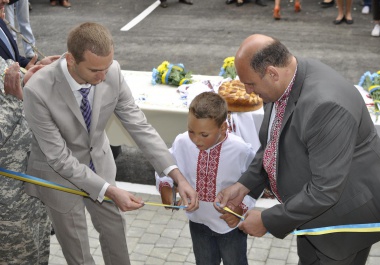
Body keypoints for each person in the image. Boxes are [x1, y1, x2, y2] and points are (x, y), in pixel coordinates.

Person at [22, 22, 198, 265]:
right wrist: (109, 191)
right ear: (71, 60)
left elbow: (139, 126)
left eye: (107, 67)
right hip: (59, 177)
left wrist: (176, 175)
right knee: (79, 252)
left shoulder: (111, 71)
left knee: (116, 237)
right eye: (95, 70)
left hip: (101, 167)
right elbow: (59, 158)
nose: (103, 77)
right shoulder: (37, 90)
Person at [214, 34, 380, 264]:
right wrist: (245, 185)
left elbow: (325, 190)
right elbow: (273, 144)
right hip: (310, 214)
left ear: (272, 72)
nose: (249, 92)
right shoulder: (284, 80)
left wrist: (267, 221)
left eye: (250, 84)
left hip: (341, 225)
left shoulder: (326, 105)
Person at [156, 91, 256, 265]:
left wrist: (241, 209)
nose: (196, 140)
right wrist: (166, 187)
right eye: (191, 131)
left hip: (230, 226)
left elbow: (255, 181)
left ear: (223, 128)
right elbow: (165, 166)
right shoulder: (182, 143)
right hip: (198, 223)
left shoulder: (240, 150)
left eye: (204, 135)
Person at [0, 55, 50, 263]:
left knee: (38, 255)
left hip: (32, 190)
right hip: (8, 206)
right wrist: (13, 101)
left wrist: (26, 76)